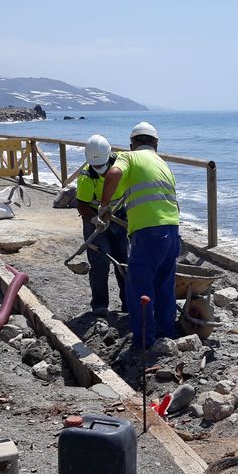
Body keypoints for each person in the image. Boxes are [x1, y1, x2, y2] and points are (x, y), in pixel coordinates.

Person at [97, 121, 180, 347]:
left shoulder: (129, 157)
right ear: (156, 144)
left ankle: (144, 341)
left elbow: (113, 174)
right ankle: (167, 335)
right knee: (164, 285)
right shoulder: (163, 164)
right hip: (172, 231)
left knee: (139, 287)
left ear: (132, 144)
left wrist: (103, 206)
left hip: (148, 233)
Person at [76, 134, 129, 316]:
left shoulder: (121, 163)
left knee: (124, 261)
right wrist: (94, 218)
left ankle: (128, 304)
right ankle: (100, 306)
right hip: (95, 220)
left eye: (101, 165)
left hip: (119, 215)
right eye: (95, 165)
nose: (98, 168)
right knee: (100, 264)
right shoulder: (86, 177)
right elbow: (81, 204)